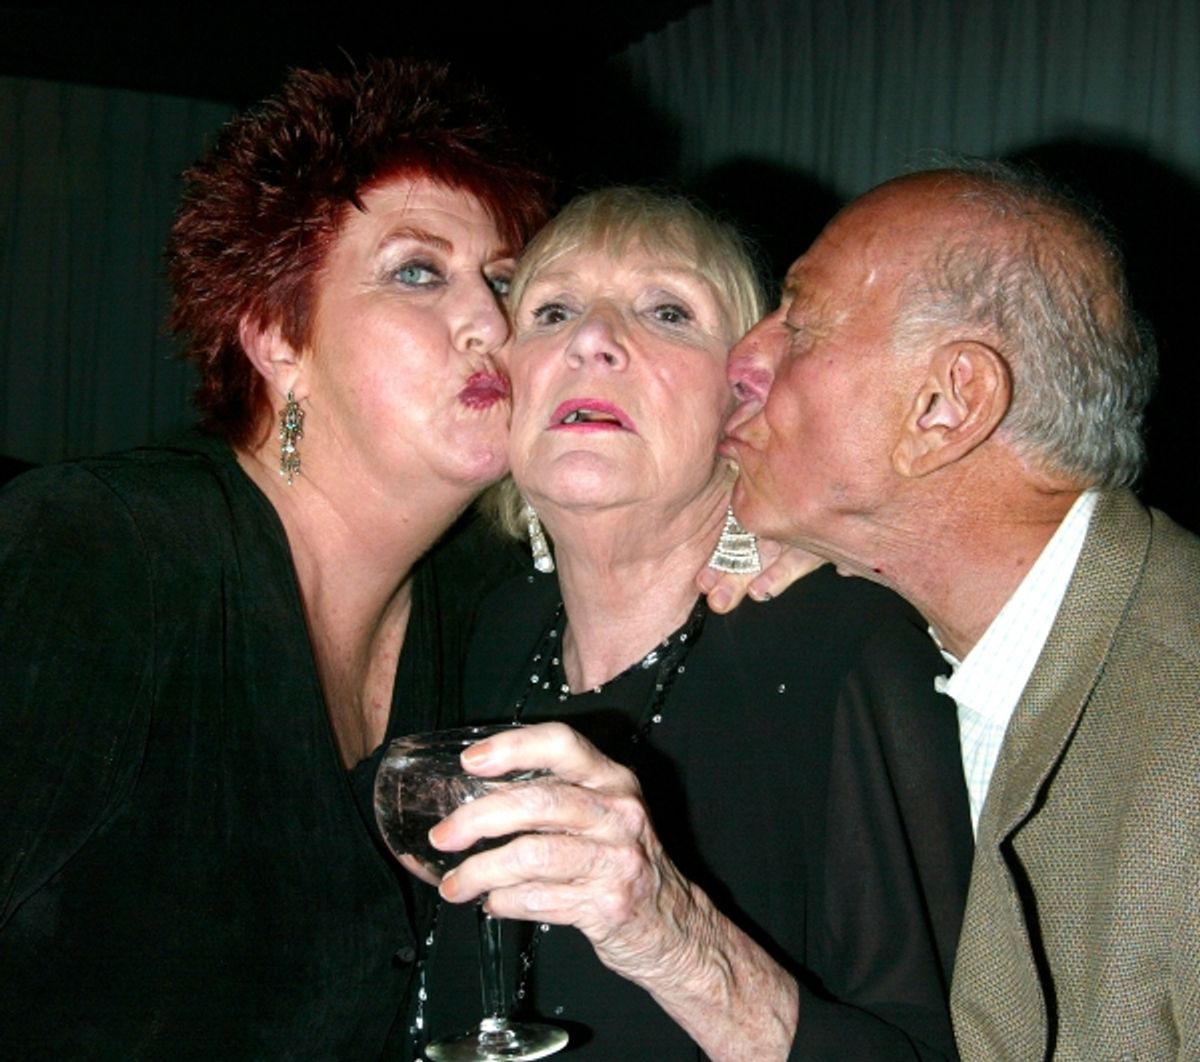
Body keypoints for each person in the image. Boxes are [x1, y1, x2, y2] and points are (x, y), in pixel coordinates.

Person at [0, 58, 552, 1057]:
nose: (491, 322)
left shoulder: (482, 604)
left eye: (506, 280)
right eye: (418, 271)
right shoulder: (109, 552)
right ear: (275, 339)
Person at [418, 188, 974, 1060]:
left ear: (742, 398)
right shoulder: (491, 629)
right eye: (552, 310)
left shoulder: (848, 651)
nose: (589, 339)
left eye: (667, 311)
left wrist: (672, 939)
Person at [724, 161, 1200, 1058]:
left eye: (802, 321)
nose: (743, 359)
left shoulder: (1186, 729)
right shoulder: (957, 653)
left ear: (947, 408)